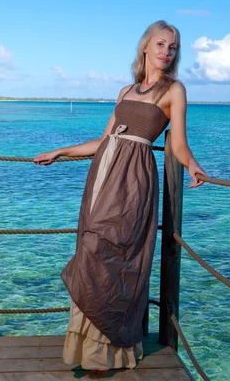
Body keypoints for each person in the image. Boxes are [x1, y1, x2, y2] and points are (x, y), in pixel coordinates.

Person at [33, 20, 208, 374]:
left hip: (134, 183)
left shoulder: (175, 91)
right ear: (145, 47)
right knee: (90, 248)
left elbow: (177, 144)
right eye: (160, 44)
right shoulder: (125, 91)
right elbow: (104, 140)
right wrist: (61, 151)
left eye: (173, 47)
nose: (167, 52)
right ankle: (88, 350)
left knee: (115, 255)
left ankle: (110, 353)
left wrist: (193, 166)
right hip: (102, 177)